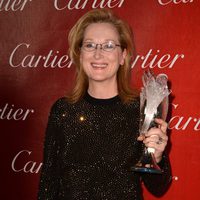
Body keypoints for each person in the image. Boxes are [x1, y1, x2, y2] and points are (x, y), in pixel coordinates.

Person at [38, 8, 171, 200]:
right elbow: (48, 183)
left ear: (123, 55)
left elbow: (158, 188)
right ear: (80, 54)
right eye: (90, 45)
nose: (98, 54)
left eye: (109, 46)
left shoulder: (142, 109)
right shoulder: (63, 110)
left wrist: (157, 156)